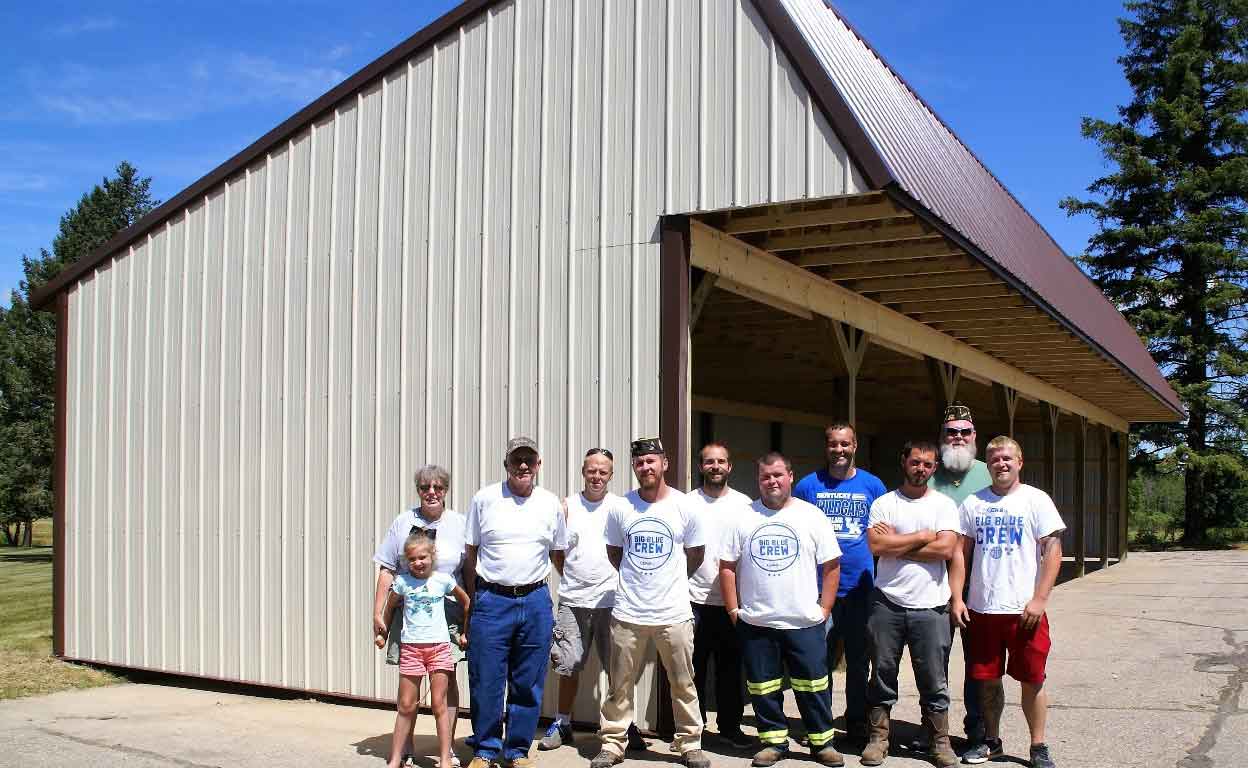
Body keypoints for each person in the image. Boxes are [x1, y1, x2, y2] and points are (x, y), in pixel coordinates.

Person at [590, 438, 711, 768]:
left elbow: (696, 555)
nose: (646, 467)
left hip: (674, 613)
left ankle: (690, 743)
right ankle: (614, 743)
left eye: (652, 461)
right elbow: (615, 553)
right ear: (634, 467)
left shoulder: (686, 506)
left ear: (664, 464)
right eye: (640, 463)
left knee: (683, 682)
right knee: (619, 685)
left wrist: (667, 581)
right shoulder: (621, 507)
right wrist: (639, 580)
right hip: (628, 612)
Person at [720, 452, 843, 768]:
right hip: (757, 621)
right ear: (758, 480)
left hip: (804, 621)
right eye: (765, 476)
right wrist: (734, 610)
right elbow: (727, 567)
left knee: (814, 686)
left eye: (777, 475)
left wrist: (825, 608)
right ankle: (773, 742)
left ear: (790, 476)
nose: (772, 481)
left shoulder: (812, 516)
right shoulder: (741, 517)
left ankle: (822, 743)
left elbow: (831, 565)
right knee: (763, 688)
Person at [949, 437, 1064, 768]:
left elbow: (1052, 552)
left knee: (1033, 678)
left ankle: (1038, 746)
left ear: (1020, 461)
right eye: (995, 459)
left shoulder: (1036, 500)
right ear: (988, 464)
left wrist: (1040, 599)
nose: (1002, 463)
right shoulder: (973, 503)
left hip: (1024, 611)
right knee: (987, 680)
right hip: (983, 609)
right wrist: (957, 598)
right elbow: (960, 553)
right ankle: (991, 741)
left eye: (1007, 458)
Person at [463, 437, 568, 768]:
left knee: (528, 681)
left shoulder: (550, 503)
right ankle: (485, 749)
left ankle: (518, 750)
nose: (523, 465)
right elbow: (470, 553)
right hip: (492, 600)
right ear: (506, 464)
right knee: (486, 680)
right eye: (516, 460)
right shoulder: (484, 499)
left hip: (535, 600)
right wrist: (472, 601)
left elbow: (558, 554)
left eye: (529, 460)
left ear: (539, 464)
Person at [861, 441, 961, 767]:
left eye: (928, 464)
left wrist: (897, 544)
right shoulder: (884, 503)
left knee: (934, 678)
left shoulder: (945, 505)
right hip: (887, 602)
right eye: (916, 462)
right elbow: (876, 544)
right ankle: (878, 739)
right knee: (882, 674)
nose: (921, 469)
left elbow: (946, 550)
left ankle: (939, 741)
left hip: (932, 606)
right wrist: (921, 536)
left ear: (934, 468)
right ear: (904, 461)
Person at [541, 448, 645, 753]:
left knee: (618, 669)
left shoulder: (622, 506)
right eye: (592, 470)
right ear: (583, 472)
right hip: (573, 600)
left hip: (615, 601)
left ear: (611, 475)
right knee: (568, 664)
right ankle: (562, 723)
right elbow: (556, 552)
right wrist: (572, 578)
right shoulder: (567, 507)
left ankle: (623, 726)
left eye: (603, 471)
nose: (597, 476)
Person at [794, 423, 887, 742]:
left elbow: (883, 535)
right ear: (826, 447)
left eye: (845, 444)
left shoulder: (873, 485)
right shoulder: (807, 486)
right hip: (818, 589)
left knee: (859, 660)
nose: (839, 450)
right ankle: (819, 724)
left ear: (855, 445)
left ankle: (857, 721)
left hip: (860, 587)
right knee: (818, 660)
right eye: (834, 444)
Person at [373, 465, 468, 765]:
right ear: (418, 490)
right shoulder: (403, 522)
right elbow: (387, 568)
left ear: (446, 491)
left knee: (447, 681)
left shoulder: (459, 523)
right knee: (409, 684)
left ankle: (446, 748)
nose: (432, 492)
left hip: (447, 612)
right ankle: (405, 746)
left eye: (438, 487)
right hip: (410, 611)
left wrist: (471, 613)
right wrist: (379, 613)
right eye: (425, 487)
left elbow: (469, 571)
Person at [927, 403, 991, 750]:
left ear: (974, 437)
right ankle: (935, 732)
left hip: (978, 585)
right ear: (941, 437)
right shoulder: (925, 473)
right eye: (952, 431)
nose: (958, 437)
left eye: (965, 431)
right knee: (934, 662)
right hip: (932, 585)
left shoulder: (990, 473)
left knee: (977, 663)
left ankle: (977, 731)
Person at [686, 442, 752, 750]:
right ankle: (693, 730)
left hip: (731, 602)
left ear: (730, 467)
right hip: (692, 599)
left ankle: (730, 728)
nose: (715, 466)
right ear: (700, 467)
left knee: (730, 669)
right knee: (692, 669)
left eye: (721, 461)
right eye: (709, 462)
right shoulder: (686, 504)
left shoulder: (745, 505)